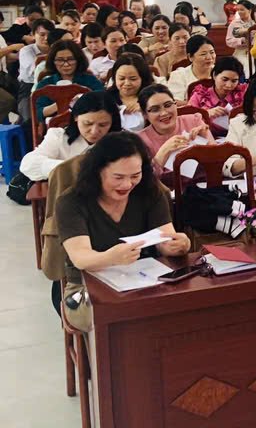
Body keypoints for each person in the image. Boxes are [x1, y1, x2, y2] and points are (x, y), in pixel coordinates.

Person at [57, 132, 191, 331]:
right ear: (97, 171)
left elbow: (164, 240)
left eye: (135, 176)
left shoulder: (149, 191)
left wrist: (178, 245)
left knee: (182, 309)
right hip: (86, 286)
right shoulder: (72, 201)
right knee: (120, 320)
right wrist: (111, 258)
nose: (127, 185)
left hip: (145, 278)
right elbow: (81, 258)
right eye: (118, 177)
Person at [20, 91, 120, 182]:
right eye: (87, 123)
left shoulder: (119, 141)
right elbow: (28, 165)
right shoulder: (59, 136)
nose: (94, 131)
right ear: (76, 117)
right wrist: (71, 167)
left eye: (103, 125)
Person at [137, 83, 212, 171]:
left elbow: (218, 162)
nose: (164, 113)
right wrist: (163, 152)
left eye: (168, 105)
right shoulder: (140, 140)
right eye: (155, 109)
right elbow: (143, 177)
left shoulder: (194, 121)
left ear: (175, 104)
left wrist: (206, 140)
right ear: (145, 114)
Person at [35, 39, 105, 122]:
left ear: (78, 60)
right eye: (60, 60)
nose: (66, 64)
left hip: (87, 123)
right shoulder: (45, 84)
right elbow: (38, 113)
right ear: (53, 61)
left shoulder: (90, 80)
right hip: (54, 126)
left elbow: (103, 102)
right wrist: (61, 103)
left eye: (71, 59)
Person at [188, 57, 246, 128]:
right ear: (214, 75)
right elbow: (186, 120)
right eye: (225, 79)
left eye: (234, 81)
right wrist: (206, 114)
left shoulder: (243, 94)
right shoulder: (199, 95)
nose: (229, 85)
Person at [17, 18, 55, 121]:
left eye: (49, 35)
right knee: (30, 118)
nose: (46, 38)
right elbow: (36, 71)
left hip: (52, 84)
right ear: (33, 35)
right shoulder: (26, 51)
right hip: (28, 88)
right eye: (42, 35)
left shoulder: (56, 49)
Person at [106, 53, 153, 131]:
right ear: (114, 78)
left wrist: (147, 109)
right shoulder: (105, 98)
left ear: (143, 78)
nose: (127, 83)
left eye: (133, 79)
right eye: (121, 78)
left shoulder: (153, 97)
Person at [166, 34, 217, 102]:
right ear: (190, 57)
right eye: (203, 54)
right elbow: (175, 102)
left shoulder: (222, 72)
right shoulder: (179, 75)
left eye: (212, 52)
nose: (209, 57)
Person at [224, 0, 255, 73]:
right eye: (238, 10)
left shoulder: (255, 22)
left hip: (255, 51)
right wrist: (241, 41)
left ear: (250, 10)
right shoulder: (234, 23)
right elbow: (228, 41)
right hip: (241, 52)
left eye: (242, 10)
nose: (239, 12)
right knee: (244, 66)